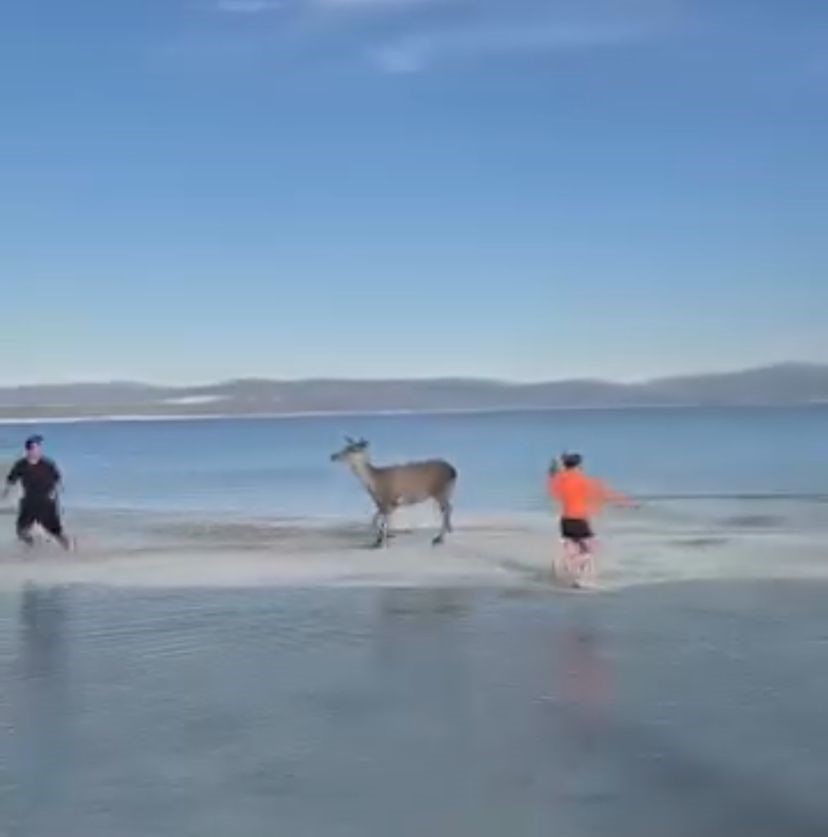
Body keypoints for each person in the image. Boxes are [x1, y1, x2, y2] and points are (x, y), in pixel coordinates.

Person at [547, 452, 630, 586]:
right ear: (578, 466)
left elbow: (553, 484)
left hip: (565, 522)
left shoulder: (560, 480)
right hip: (579, 521)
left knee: (574, 548)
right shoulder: (583, 481)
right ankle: (575, 574)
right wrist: (626, 503)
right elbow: (605, 494)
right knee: (591, 550)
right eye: (581, 465)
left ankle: (565, 570)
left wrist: (553, 468)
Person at [3, 435, 71, 549]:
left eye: (39, 448)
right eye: (35, 448)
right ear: (28, 450)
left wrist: (55, 494)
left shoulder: (48, 464)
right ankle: (32, 548)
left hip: (46, 503)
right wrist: (5, 494)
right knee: (21, 531)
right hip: (29, 502)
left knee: (56, 532)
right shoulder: (21, 465)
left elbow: (58, 482)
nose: (38, 451)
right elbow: (10, 481)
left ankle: (69, 549)